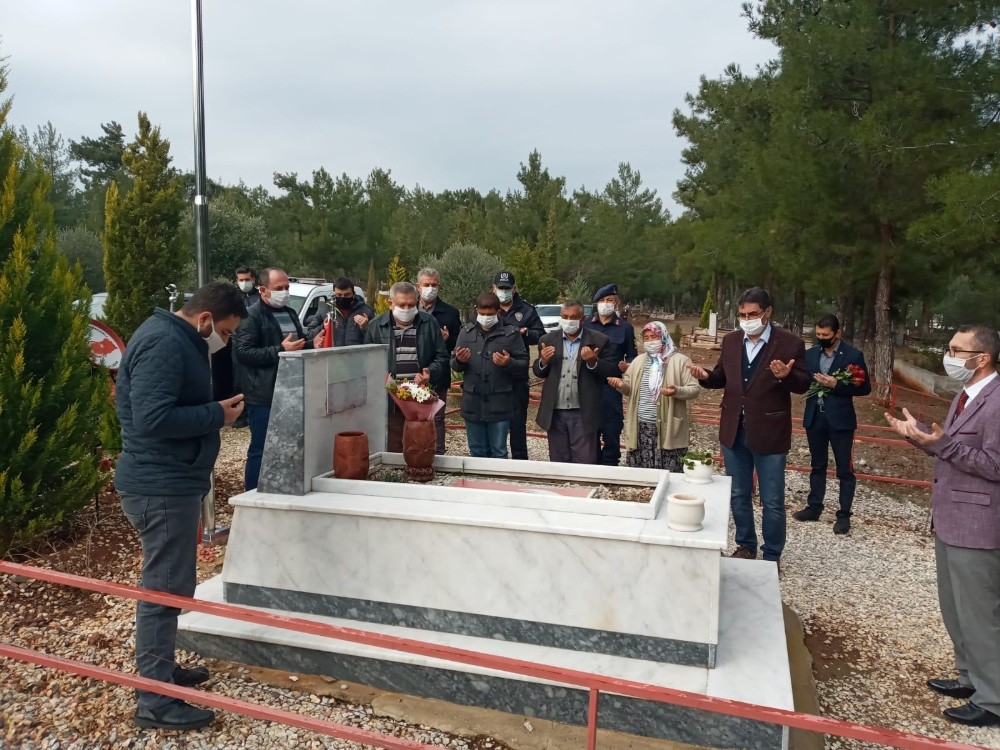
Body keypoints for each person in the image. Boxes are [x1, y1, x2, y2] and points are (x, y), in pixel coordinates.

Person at [115, 282, 248, 731]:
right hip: (161, 485)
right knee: (162, 590)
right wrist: (217, 415)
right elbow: (152, 418)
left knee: (172, 584)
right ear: (206, 318)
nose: (225, 342)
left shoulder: (175, 338)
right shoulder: (164, 342)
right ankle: (154, 698)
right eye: (226, 333)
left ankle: (162, 672)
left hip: (170, 480)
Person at [885, 325, 1000, 728]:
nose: (949, 356)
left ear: (981, 358)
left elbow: (994, 464)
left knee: (980, 613)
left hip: (979, 524)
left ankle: (993, 700)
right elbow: (949, 448)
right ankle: (970, 678)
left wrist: (943, 444)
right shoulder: (966, 397)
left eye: (957, 350)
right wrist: (919, 438)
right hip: (950, 517)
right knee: (955, 609)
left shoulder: (998, 401)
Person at [687, 287, 809, 563]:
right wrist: (706, 376)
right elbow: (722, 377)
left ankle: (772, 554)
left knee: (772, 500)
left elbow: (803, 384)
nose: (747, 319)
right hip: (733, 429)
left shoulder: (789, 343)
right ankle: (745, 545)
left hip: (770, 431)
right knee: (739, 493)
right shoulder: (731, 341)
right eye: (742, 314)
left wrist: (786, 376)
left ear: (768, 313)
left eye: (752, 314)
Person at [234, 267, 324, 491]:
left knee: (289, 445)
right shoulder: (251, 316)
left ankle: (282, 486)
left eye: (286, 287)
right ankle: (253, 492)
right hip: (263, 394)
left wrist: (314, 343)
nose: (284, 292)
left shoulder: (291, 313)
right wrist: (279, 350)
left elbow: (299, 343)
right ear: (263, 290)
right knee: (261, 447)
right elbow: (243, 353)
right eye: (279, 288)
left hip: (291, 390)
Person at [793, 314, 871, 534]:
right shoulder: (809, 355)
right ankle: (814, 507)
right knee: (817, 465)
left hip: (841, 421)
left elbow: (865, 388)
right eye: (818, 334)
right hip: (815, 417)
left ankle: (844, 515)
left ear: (837, 333)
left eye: (825, 335)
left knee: (844, 469)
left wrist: (837, 384)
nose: (821, 338)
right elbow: (802, 381)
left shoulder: (853, 355)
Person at [365, 281, 450, 452]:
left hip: (420, 397)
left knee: (420, 446)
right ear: (391, 304)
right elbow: (367, 362)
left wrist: (429, 372)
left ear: (417, 302)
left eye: (411, 304)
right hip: (391, 400)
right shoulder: (376, 326)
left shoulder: (429, 322)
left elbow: (442, 356)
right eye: (401, 304)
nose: (406, 309)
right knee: (393, 445)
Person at [533, 300, 618, 463]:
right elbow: (539, 372)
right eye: (565, 316)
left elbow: (611, 372)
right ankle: (562, 488)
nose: (569, 320)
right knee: (559, 460)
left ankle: (585, 488)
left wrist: (594, 362)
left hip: (583, 410)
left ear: (582, 319)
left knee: (586, 460)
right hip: (555, 410)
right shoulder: (547, 339)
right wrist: (543, 361)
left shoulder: (599, 340)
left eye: (573, 317)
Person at [607, 322, 700, 471]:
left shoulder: (680, 361)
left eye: (654, 337)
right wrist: (620, 385)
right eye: (647, 338)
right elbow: (629, 389)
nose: (650, 341)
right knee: (641, 477)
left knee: (669, 476)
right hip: (640, 427)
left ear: (663, 336)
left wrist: (676, 391)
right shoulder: (638, 361)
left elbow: (694, 389)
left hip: (667, 429)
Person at [451, 292, 529, 458]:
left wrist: (508, 363)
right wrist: (460, 361)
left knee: (499, 451)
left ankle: (496, 483)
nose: (486, 317)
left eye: (490, 314)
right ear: (476, 311)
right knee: (477, 451)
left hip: (499, 403)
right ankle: (477, 483)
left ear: (498, 312)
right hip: (472, 402)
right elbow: (455, 365)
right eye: (482, 314)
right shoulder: (466, 332)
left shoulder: (511, 334)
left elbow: (523, 365)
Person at [493, 270, 546, 460]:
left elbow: (541, 335)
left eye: (507, 288)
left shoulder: (527, 310)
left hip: (517, 374)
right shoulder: (487, 308)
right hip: (493, 375)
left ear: (514, 289)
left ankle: (520, 461)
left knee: (517, 422)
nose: (504, 291)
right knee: (494, 421)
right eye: (501, 288)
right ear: (494, 288)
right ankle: (493, 462)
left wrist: (526, 334)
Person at [585, 283, 637, 465]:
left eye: (609, 300)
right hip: (587, 385)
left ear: (617, 303)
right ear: (596, 303)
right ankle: (591, 468)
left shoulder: (625, 328)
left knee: (611, 431)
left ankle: (610, 469)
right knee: (589, 432)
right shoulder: (585, 324)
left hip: (611, 387)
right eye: (602, 300)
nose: (605, 304)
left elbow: (632, 354)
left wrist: (628, 366)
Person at [417, 267, 463, 454]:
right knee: (412, 417)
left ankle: (438, 454)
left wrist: (447, 339)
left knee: (436, 417)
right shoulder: (410, 309)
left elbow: (459, 343)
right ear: (418, 287)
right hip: (413, 373)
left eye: (434, 285)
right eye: (426, 285)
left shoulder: (450, 313)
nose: (430, 288)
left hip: (438, 374)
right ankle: (414, 453)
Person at [304, 276, 373, 346]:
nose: (343, 297)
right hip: (332, 354)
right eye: (339, 295)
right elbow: (309, 335)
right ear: (334, 294)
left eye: (347, 295)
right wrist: (323, 327)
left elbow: (376, 337)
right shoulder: (325, 310)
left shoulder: (366, 311)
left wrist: (366, 327)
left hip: (357, 354)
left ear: (353, 294)